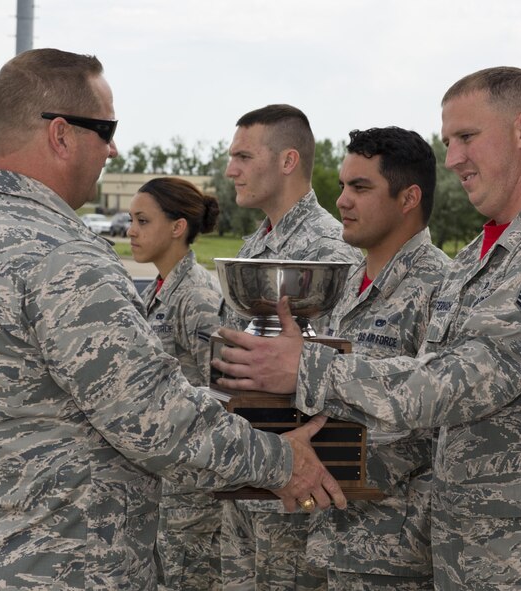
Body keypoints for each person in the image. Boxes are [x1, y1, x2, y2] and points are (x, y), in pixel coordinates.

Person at [213, 66, 521, 590]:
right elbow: (419, 404)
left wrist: (307, 367)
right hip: (480, 556)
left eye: (467, 137)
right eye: (448, 141)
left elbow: (461, 382)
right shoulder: (480, 256)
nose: (452, 160)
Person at [0, 48, 346, 591]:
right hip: (61, 566)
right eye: (107, 129)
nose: (113, 149)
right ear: (62, 134)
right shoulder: (62, 258)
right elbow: (154, 415)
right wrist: (284, 461)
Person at [218, 104, 363, 591]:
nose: (230, 169)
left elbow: (345, 376)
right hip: (247, 477)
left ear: (287, 161)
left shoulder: (332, 252)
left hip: (300, 490)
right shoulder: (255, 246)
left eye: (243, 156)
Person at [304, 127, 449, 590]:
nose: (342, 200)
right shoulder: (346, 284)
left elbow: (437, 423)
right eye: (343, 186)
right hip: (334, 538)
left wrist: (300, 465)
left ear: (409, 198)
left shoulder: (442, 288)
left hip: (396, 555)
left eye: (360, 187)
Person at [127, 177, 226, 590]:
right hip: (165, 487)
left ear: (177, 227)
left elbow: (223, 393)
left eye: (142, 220)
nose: (131, 230)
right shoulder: (158, 289)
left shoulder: (198, 296)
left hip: (194, 498)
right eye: (131, 219)